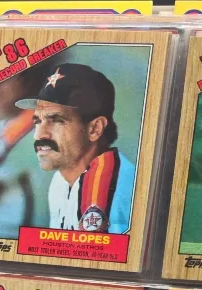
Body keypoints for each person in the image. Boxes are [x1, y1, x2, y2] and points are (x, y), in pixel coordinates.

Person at [16, 63, 135, 233]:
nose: (39, 135)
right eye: (38, 121)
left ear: (95, 129)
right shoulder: (60, 180)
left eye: (56, 120)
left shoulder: (111, 186)